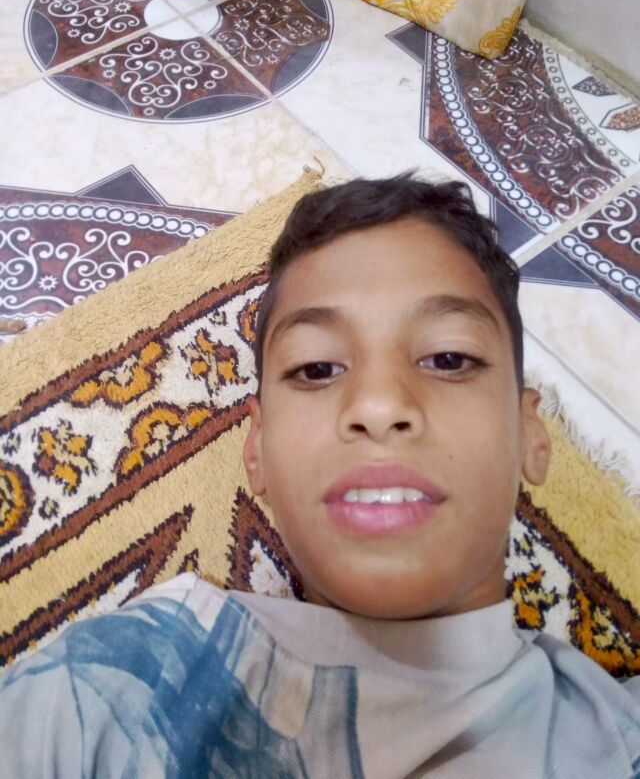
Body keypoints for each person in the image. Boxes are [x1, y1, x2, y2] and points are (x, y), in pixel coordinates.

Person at [1, 175, 638, 778]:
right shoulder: (136, 669)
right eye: (315, 369)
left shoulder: (615, 731)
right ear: (257, 451)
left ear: (531, 436)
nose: (379, 405)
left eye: (448, 358)